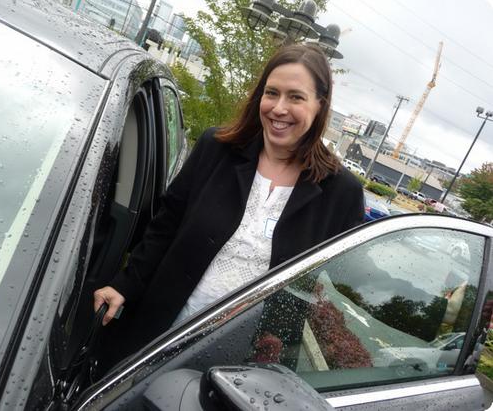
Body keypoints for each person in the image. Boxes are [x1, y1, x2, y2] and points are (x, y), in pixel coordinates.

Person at [93, 43, 365, 368]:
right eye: (272, 93)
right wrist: (126, 284)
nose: (279, 108)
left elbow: (352, 278)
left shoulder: (341, 193)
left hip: (242, 366)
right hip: (157, 336)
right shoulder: (216, 148)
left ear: (320, 105)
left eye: (296, 97)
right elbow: (166, 226)